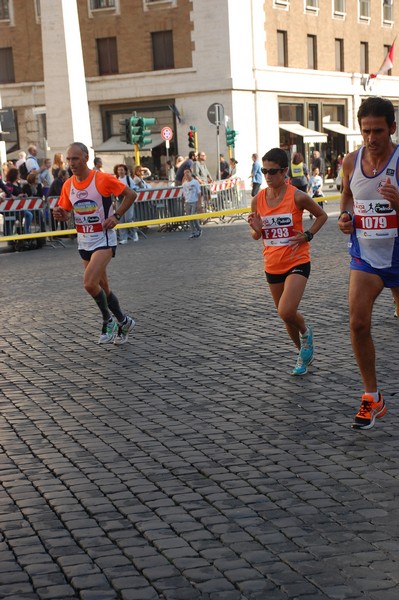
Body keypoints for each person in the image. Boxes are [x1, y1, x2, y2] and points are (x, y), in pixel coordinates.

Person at [338, 96, 399, 430]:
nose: (372, 138)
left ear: (392, 127)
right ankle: (371, 397)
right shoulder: (351, 160)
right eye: (366, 131)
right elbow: (348, 196)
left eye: (378, 130)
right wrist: (345, 216)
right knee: (358, 323)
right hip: (366, 254)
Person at [248, 147, 327, 376]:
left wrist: (308, 235)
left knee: (286, 310)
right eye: (264, 171)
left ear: (284, 171)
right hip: (272, 264)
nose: (268, 176)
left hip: (297, 260)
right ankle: (302, 353)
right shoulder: (257, 200)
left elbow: (321, 215)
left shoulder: (297, 196)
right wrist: (257, 231)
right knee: (285, 317)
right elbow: (257, 235)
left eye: (272, 171)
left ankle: (306, 331)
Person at [53, 142, 137, 345]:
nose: (71, 163)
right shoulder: (68, 185)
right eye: (69, 159)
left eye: (75, 158)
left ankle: (108, 320)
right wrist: (60, 215)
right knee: (104, 288)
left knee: (89, 283)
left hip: (104, 239)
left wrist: (116, 216)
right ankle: (124, 321)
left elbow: (131, 195)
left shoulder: (102, 179)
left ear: (86, 158)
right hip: (84, 242)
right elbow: (65, 212)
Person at [113, 163, 139, 244]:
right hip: (118, 200)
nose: (120, 171)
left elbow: (133, 189)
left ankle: (134, 233)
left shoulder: (128, 179)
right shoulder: (116, 179)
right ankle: (123, 238)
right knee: (120, 219)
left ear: (125, 171)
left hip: (128, 201)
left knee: (129, 218)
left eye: (122, 170)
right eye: (119, 170)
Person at [182, 167, 202, 239]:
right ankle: (193, 232)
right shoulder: (184, 184)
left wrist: (199, 203)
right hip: (188, 202)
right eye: (185, 173)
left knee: (193, 216)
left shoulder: (195, 182)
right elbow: (184, 194)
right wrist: (185, 201)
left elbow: (199, 193)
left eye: (187, 172)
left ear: (190, 173)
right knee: (189, 218)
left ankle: (199, 229)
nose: (186, 174)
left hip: (194, 201)